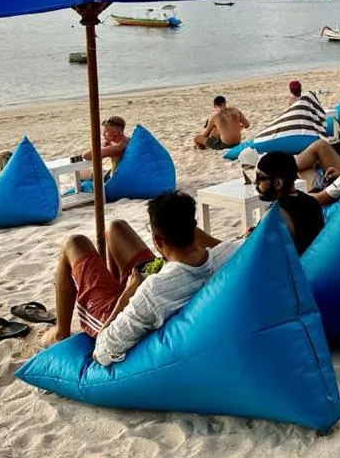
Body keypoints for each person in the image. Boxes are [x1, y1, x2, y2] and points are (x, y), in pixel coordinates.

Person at [41, 190, 239, 365]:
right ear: (194, 228)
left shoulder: (152, 290)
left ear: (157, 240)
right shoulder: (231, 254)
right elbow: (228, 247)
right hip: (175, 276)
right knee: (116, 227)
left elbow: (102, 351)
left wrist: (129, 291)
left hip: (129, 307)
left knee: (74, 243)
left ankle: (61, 333)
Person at [254, 151, 324, 254]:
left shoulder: (276, 213)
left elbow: (259, 252)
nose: (256, 182)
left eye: (260, 177)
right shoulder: (312, 201)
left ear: (278, 183)